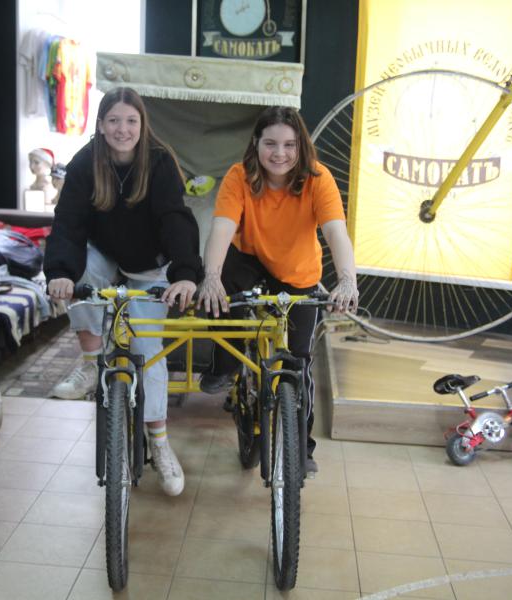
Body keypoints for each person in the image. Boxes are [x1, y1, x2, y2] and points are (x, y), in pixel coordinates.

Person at [44, 86, 203, 496]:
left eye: (131, 121)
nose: (122, 129)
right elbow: (68, 224)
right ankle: (90, 362)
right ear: (100, 125)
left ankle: (159, 441)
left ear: (142, 124)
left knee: (148, 352)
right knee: (78, 277)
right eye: (113, 120)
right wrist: (60, 273)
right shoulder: (85, 162)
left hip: (152, 264)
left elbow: (176, 219)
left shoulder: (160, 162)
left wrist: (186, 274)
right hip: (106, 257)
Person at [196, 106, 359, 475]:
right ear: (256, 143)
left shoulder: (318, 178)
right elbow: (222, 227)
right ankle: (226, 363)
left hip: (296, 271)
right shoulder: (239, 176)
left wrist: (348, 279)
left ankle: (302, 446)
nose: (279, 153)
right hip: (247, 259)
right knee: (221, 292)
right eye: (270, 143)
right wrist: (211, 276)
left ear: (301, 146)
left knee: (298, 364)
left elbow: (335, 231)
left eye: (289, 145)